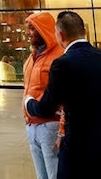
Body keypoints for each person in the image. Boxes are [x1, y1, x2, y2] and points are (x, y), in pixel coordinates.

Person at [25, 10, 101, 178]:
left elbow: (46, 107)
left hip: (79, 151)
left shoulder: (62, 64)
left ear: (60, 35)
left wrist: (29, 103)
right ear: (84, 32)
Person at [22, 12, 64, 179]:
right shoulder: (32, 58)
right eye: (27, 28)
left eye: (32, 28)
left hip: (50, 126)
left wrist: (61, 129)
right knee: (42, 176)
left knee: (54, 174)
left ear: (43, 30)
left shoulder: (59, 57)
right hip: (32, 125)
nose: (27, 32)